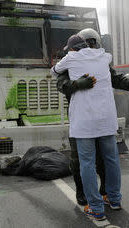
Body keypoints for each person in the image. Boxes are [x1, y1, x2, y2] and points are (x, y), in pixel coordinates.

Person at [56, 29, 129, 207]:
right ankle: (84, 194)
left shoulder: (99, 61)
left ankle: (106, 193)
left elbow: (116, 79)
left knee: (103, 160)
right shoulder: (72, 61)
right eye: (90, 44)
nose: (92, 48)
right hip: (82, 118)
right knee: (80, 161)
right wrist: (76, 84)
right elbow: (61, 84)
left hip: (99, 119)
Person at [51, 34, 122, 221]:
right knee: (111, 160)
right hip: (107, 119)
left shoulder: (71, 58)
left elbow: (54, 71)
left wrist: (74, 80)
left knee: (87, 164)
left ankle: (96, 208)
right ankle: (114, 199)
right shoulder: (104, 56)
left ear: (72, 49)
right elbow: (112, 71)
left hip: (84, 121)